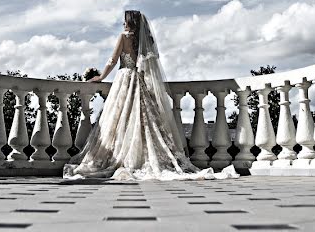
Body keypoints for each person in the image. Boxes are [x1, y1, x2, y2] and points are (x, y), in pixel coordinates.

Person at [63, 10, 238, 181]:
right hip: (139, 81)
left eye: (125, 20)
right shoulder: (144, 41)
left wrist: (101, 77)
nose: (123, 23)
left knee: (120, 121)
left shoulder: (124, 37)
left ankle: (125, 158)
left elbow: (113, 60)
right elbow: (149, 67)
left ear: (131, 22)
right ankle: (138, 157)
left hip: (124, 79)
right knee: (142, 121)